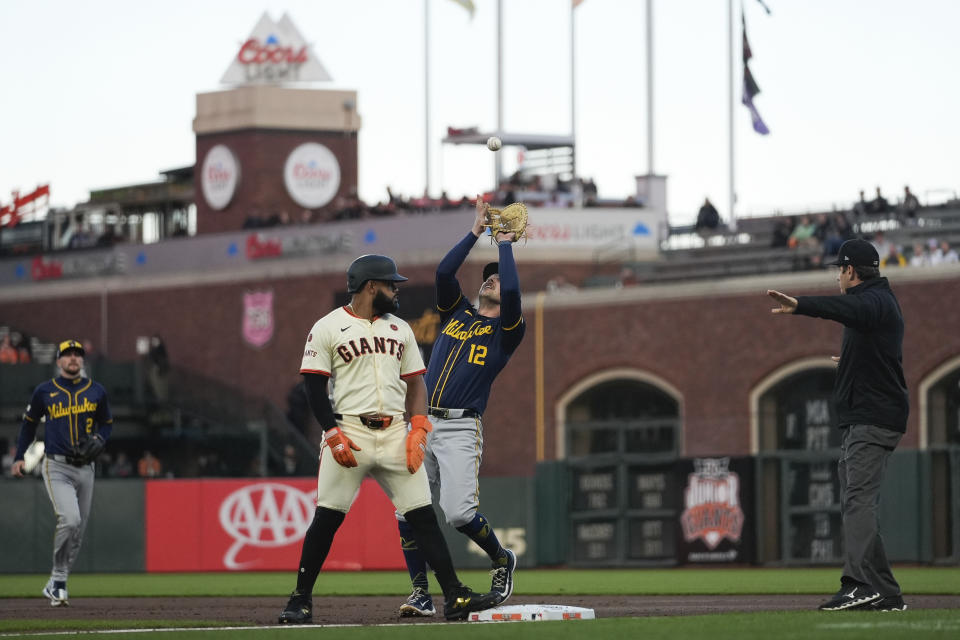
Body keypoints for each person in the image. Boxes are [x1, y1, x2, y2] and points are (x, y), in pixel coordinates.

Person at [278, 254, 498, 625]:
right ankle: (300, 599)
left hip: (396, 433)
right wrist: (332, 433)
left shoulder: (400, 329)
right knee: (328, 517)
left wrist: (419, 428)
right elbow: (313, 386)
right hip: (350, 431)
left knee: (423, 516)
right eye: (390, 284)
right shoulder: (328, 326)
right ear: (369, 287)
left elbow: (416, 384)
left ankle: (454, 594)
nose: (396, 290)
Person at [394, 196, 524, 617]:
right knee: (406, 507)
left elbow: (516, 292)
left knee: (458, 512)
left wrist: (504, 245)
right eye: (487, 278)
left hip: (460, 428)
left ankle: (501, 557)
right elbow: (443, 272)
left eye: (496, 280)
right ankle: (420, 594)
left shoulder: (505, 333)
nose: (491, 281)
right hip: (423, 423)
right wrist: (475, 232)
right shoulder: (457, 313)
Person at [766, 239, 908, 613]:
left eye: (839, 269)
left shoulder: (873, 301)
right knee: (856, 503)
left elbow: (848, 309)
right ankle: (885, 591)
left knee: (858, 502)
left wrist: (801, 306)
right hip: (867, 418)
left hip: (872, 420)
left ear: (850, 271)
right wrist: (854, 358)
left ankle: (859, 584)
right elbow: (882, 348)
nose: (837, 276)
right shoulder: (878, 305)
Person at [11, 339, 114, 607]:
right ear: (58, 361)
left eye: (77, 355)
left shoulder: (96, 391)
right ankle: (58, 578)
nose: (73, 358)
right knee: (70, 519)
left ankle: (58, 582)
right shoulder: (45, 391)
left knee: (77, 530)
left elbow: (107, 423)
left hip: (86, 468)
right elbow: (29, 425)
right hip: (56, 464)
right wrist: (20, 456)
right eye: (67, 355)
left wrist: (101, 440)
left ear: (82, 361)